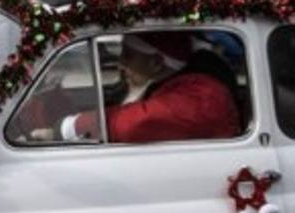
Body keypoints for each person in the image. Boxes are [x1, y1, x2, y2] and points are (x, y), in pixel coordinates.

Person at [57, 31, 241, 144]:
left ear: (156, 63)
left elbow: (138, 124)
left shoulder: (203, 97)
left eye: (127, 56)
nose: (120, 64)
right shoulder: (175, 84)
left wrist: (72, 127)